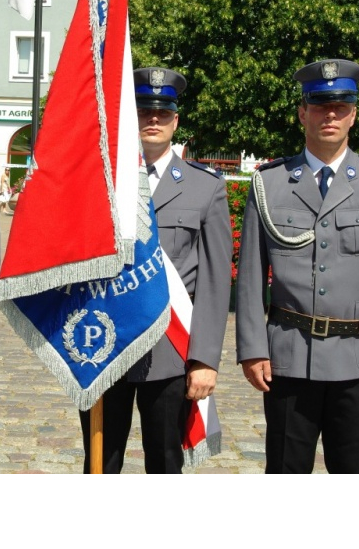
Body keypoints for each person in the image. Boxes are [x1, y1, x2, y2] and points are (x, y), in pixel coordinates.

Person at [235, 58, 359, 474]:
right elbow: (249, 278)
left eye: (340, 106)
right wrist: (252, 349)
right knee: (284, 471)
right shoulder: (270, 182)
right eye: (319, 105)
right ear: (302, 112)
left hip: (358, 362)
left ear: (353, 114)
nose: (329, 115)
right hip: (287, 359)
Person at [78, 66, 232, 473]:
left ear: (175, 120)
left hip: (170, 353)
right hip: (105, 344)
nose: (152, 120)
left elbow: (216, 284)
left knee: (164, 464)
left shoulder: (206, 187)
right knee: (99, 463)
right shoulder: (99, 179)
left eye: (162, 113)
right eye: (144, 110)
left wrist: (205, 359)